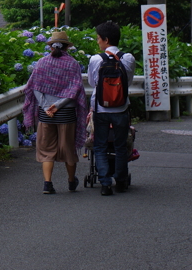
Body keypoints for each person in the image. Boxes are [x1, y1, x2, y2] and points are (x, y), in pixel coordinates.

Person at [23, 30, 88, 194]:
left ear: (51, 46)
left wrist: (46, 107)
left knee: (46, 149)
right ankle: (71, 181)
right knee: (68, 148)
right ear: (66, 47)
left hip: (46, 114)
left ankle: (47, 184)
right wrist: (58, 105)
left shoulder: (42, 63)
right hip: (66, 113)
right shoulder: (73, 64)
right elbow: (75, 90)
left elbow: (34, 87)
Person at [87, 20, 136, 196]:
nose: (97, 41)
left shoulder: (95, 59)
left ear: (106, 40)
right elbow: (128, 82)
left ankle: (105, 184)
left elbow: (93, 83)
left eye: (98, 38)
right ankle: (121, 181)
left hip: (100, 109)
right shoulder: (128, 58)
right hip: (121, 108)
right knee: (120, 146)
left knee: (100, 145)